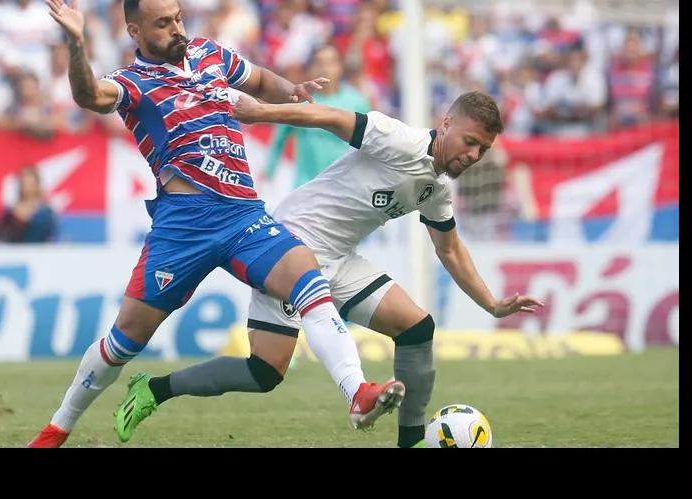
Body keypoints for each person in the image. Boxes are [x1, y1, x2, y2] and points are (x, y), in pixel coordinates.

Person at [26, 0, 403, 448]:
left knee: (310, 283)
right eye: (162, 23)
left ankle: (357, 394)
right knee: (125, 340)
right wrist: (75, 41)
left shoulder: (210, 54)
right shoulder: (133, 83)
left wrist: (291, 91)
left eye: (178, 17)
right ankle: (57, 428)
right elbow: (89, 96)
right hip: (183, 228)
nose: (176, 28)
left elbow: (259, 79)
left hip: (243, 214)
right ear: (134, 30)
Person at [117, 90, 544, 448]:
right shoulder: (398, 139)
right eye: (470, 141)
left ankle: (411, 441)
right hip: (287, 249)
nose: (473, 155)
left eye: (482, 150)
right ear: (447, 123)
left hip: (338, 259)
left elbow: (450, 250)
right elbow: (326, 116)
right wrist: (259, 112)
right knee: (265, 372)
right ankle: (154, 389)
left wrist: (491, 304)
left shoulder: (435, 188)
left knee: (416, 328)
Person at [264, 44, 371, 188]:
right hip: (307, 187)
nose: (325, 68)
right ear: (310, 68)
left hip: (347, 188)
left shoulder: (357, 102)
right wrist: (268, 173)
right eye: (319, 63)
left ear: (340, 67)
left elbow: (369, 142)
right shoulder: (298, 102)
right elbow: (278, 142)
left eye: (331, 63)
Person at [0, 165, 58, 243]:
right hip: (15, 252)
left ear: (37, 185)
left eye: (31, 184)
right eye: (25, 183)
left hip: (39, 252)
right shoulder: (9, 212)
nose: (28, 187)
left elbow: (51, 235)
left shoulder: (46, 213)